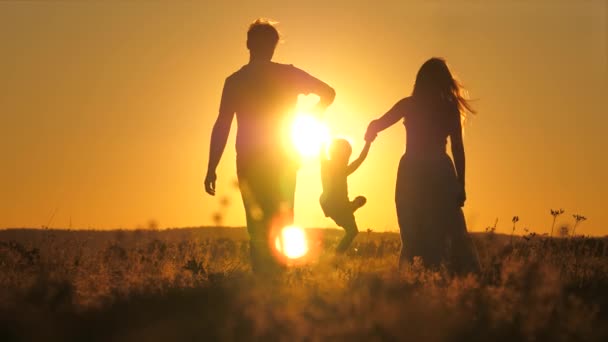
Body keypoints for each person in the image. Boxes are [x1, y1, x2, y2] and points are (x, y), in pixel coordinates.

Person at [204, 19, 335, 275]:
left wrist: (212, 167)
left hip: (250, 161)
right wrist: (315, 113)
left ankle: (264, 281)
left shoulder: (236, 80)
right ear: (274, 47)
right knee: (283, 220)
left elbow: (222, 125)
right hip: (283, 159)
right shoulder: (289, 74)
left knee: (256, 226)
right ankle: (278, 283)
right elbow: (328, 93)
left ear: (248, 44)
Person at [365, 58, 480, 275]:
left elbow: (379, 123)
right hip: (438, 172)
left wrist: (372, 129)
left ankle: (415, 277)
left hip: (414, 171)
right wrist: (460, 183)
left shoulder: (410, 104)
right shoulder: (448, 109)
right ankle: (450, 278)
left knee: (413, 227)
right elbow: (457, 149)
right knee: (444, 228)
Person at [320, 138, 371, 253]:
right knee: (352, 231)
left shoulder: (327, 165)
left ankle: (354, 205)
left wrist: (322, 141)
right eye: (346, 157)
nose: (347, 160)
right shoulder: (339, 169)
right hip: (337, 205)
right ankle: (337, 254)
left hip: (332, 204)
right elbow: (360, 159)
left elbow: (359, 159)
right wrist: (368, 143)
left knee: (353, 230)